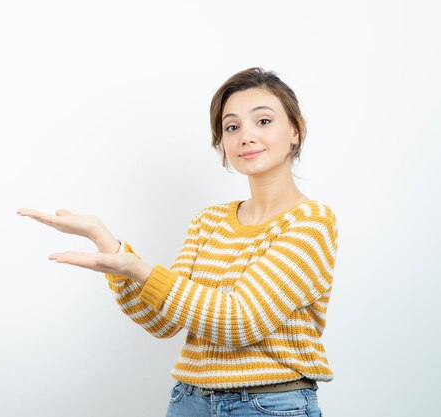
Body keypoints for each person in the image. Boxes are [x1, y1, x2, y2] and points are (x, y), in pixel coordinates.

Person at [17, 67, 337, 417]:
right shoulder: (208, 221)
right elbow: (162, 321)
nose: (246, 136)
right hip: (190, 400)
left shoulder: (311, 222)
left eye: (262, 121)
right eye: (232, 127)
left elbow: (240, 320)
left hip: (269, 404)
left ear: (296, 130)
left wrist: (139, 268)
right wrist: (105, 241)